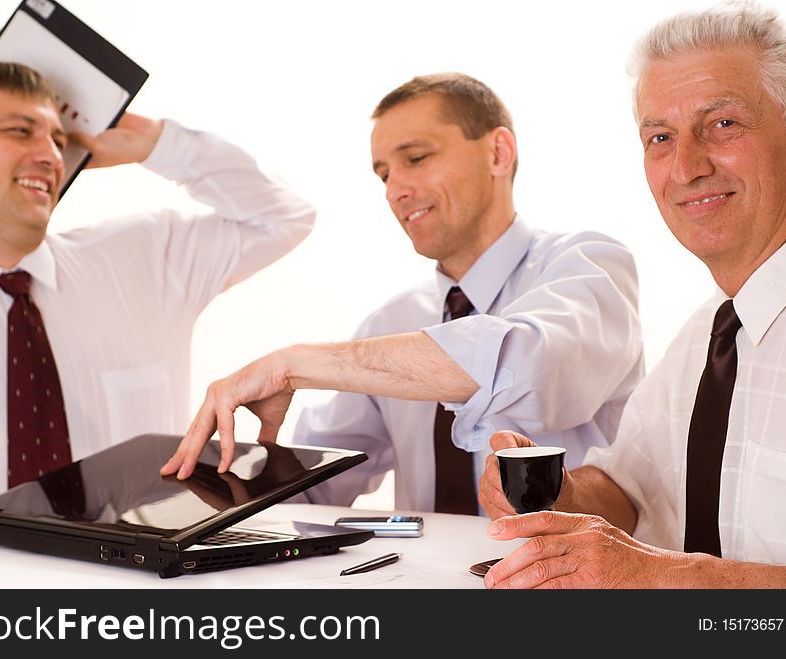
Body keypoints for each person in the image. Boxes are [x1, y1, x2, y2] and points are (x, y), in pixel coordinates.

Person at [163, 73, 644, 515]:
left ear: (499, 152)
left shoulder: (587, 265)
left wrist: (294, 366)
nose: (395, 189)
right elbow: (319, 486)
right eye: (384, 175)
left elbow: (529, 365)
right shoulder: (390, 325)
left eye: (416, 159)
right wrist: (196, 483)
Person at [478, 3, 786, 588]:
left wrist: (666, 581)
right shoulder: (712, 331)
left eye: (724, 124)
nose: (685, 167)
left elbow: (662, 574)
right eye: (660, 137)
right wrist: (552, 492)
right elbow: (629, 489)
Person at [0, 61, 315, 513]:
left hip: (137, 578)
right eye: (20, 131)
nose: (52, 156)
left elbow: (283, 218)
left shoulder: (144, 258)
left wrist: (155, 143)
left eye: (58, 139)